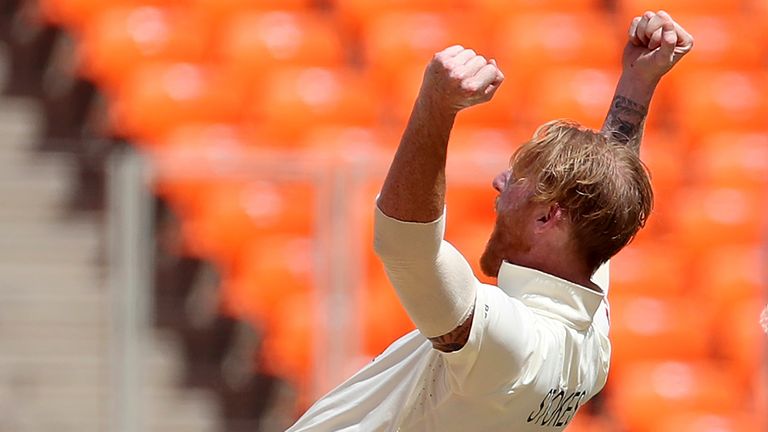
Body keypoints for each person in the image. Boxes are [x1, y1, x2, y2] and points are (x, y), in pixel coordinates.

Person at [287, 10, 693, 432]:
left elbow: (406, 249)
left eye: (518, 180)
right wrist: (638, 82)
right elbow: (605, 193)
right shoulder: (589, 337)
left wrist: (436, 106)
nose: (499, 182)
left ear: (547, 216)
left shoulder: (515, 344)